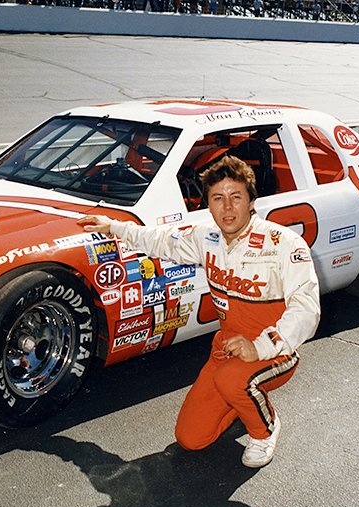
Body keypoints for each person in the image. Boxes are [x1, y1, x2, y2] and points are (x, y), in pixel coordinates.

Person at [77, 155, 320, 468]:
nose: (227, 208)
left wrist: (260, 346)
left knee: (236, 381)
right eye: (218, 199)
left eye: (236, 197)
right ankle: (244, 399)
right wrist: (113, 227)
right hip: (228, 349)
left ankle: (265, 427)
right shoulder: (207, 237)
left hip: (276, 351)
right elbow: (160, 240)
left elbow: (307, 309)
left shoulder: (283, 243)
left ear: (251, 201)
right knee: (191, 438)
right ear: (208, 203)